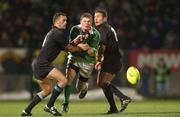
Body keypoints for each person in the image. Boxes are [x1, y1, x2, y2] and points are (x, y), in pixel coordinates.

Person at [21, 12, 90, 116]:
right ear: (57, 22)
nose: (66, 22)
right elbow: (69, 49)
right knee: (64, 80)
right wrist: (81, 47)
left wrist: (76, 41)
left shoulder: (54, 32)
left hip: (37, 63)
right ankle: (49, 106)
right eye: (64, 20)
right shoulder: (58, 33)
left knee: (47, 90)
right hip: (43, 64)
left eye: (66, 20)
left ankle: (26, 111)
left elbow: (66, 45)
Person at [94, 9, 131, 114]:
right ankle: (114, 108)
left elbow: (102, 46)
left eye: (98, 16)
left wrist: (99, 59)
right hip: (115, 59)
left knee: (103, 83)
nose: (95, 19)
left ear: (105, 18)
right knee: (102, 83)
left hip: (111, 60)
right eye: (95, 16)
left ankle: (123, 98)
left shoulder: (103, 28)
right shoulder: (108, 28)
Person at [62, 13, 100, 113]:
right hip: (75, 57)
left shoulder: (96, 34)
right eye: (84, 21)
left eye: (89, 22)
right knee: (68, 79)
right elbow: (70, 45)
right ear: (80, 22)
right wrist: (78, 45)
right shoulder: (74, 29)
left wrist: (89, 49)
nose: (86, 23)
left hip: (88, 61)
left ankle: (84, 89)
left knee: (79, 87)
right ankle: (65, 104)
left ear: (91, 23)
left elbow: (93, 52)